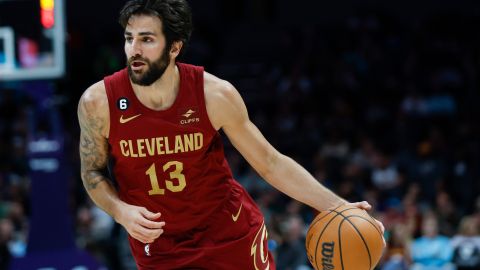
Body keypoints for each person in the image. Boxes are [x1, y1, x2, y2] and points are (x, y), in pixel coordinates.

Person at [77, 0, 385, 268]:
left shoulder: (214, 95)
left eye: (147, 39)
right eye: (129, 39)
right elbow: (92, 172)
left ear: (174, 47)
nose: (135, 50)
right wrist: (119, 211)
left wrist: (336, 205)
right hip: (161, 247)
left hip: (229, 233)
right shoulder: (98, 103)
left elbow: (270, 163)